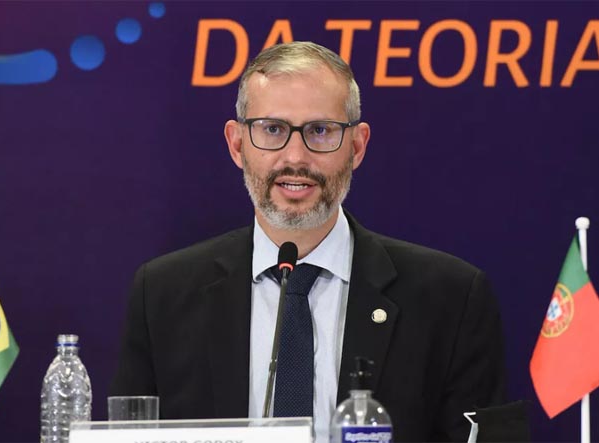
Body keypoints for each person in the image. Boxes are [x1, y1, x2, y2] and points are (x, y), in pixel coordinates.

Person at [110, 41, 505, 442]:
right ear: (237, 144)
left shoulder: (450, 299)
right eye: (273, 129)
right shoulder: (162, 295)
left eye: (320, 131)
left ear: (357, 146)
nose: (295, 157)